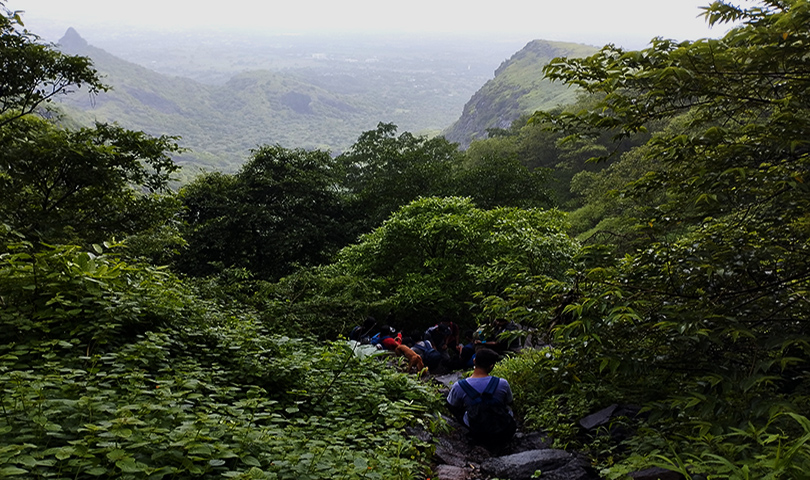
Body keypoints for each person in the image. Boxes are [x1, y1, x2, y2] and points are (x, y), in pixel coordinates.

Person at [446, 348, 516, 446]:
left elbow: (452, 405)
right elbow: (509, 401)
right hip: (502, 428)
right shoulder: (502, 383)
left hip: (476, 428)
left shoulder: (459, 386)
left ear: (474, 361)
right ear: (491, 365)